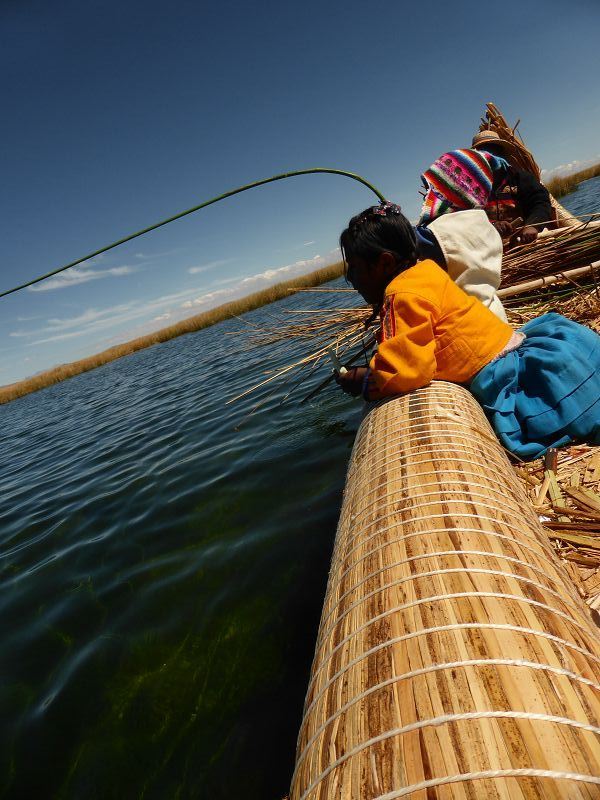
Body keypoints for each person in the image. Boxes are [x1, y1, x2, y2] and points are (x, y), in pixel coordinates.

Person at [336, 202, 600, 460]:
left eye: (355, 268)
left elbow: (407, 371)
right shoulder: (426, 271)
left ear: (384, 263)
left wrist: (366, 380)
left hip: (504, 376)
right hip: (516, 348)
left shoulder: (400, 295)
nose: (352, 279)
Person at [471, 130, 553, 244]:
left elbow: (540, 201)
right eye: (485, 154)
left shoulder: (520, 178)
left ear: (501, 154)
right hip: (489, 248)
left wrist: (532, 226)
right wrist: (492, 226)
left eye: (493, 152)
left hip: (524, 242)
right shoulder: (471, 187)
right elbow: (467, 219)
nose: (490, 158)